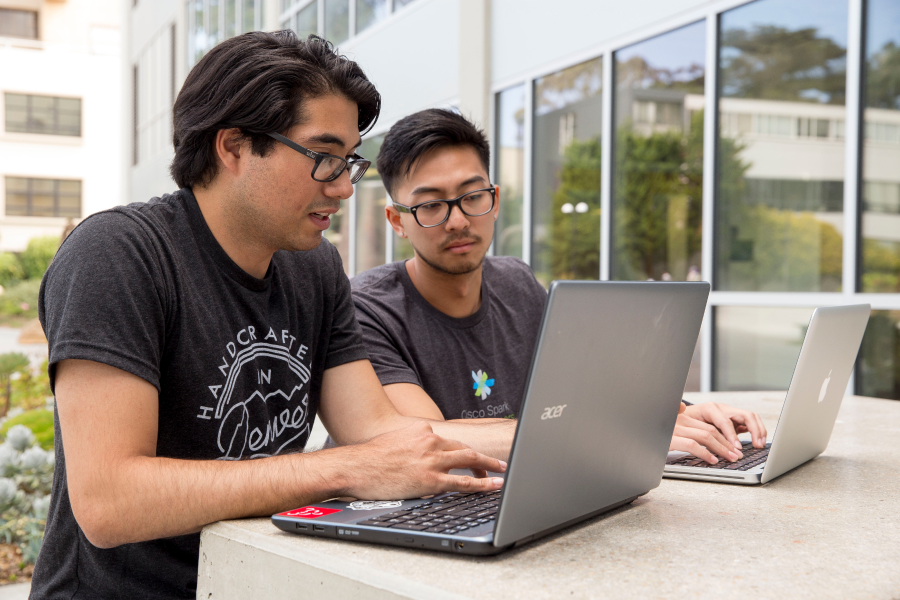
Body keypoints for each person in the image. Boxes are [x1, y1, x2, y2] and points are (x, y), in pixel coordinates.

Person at [32, 33, 514, 599]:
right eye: (324, 158)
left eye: (349, 162)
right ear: (234, 147)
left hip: (252, 580)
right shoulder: (119, 254)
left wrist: (553, 441)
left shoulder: (313, 268)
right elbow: (109, 501)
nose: (342, 187)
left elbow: (379, 432)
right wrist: (342, 469)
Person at [350, 108, 768, 466]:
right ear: (397, 221)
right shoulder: (368, 308)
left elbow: (594, 384)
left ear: (494, 200)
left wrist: (677, 415)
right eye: (430, 205)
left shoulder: (516, 281)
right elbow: (430, 438)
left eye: (472, 196)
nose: (458, 220)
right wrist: (611, 431)